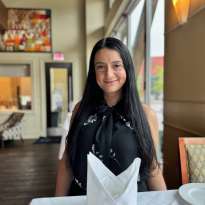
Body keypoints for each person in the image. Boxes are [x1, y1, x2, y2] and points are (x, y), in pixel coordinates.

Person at [55, 37, 166, 196]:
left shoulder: (146, 114)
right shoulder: (80, 110)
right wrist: (57, 201)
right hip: (85, 199)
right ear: (94, 72)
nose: (109, 74)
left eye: (116, 66)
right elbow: (67, 164)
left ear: (127, 67)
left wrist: (163, 199)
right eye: (100, 67)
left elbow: (152, 169)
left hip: (132, 199)